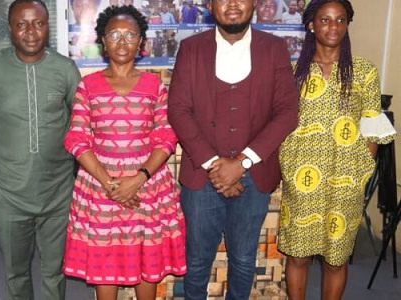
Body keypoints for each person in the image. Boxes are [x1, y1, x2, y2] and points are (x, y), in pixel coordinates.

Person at [167, 0, 299, 299]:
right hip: (202, 176)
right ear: (211, 5)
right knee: (198, 261)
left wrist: (242, 162)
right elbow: (178, 110)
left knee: (242, 260)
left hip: (254, 176)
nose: (233, 4)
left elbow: (288, 111)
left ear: (253, 3)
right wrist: (216, 165)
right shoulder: (192, 48)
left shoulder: (274, 48)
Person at [62, 5, 187, 300]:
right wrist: (110, 183)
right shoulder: (87, 86)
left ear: (141, 42)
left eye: (130, 35)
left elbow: (166, 136)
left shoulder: (154, 86)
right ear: (103, 41)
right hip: (99, 185)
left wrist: (139, 178)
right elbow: (77, 138)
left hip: (147, 186)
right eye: (114, 34)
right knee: (107, 260)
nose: (121, 41)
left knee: (146, 257)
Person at [277, 1, 396, 299]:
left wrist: (359, 172)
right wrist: (289, 169)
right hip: (302, 180)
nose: (333, 27)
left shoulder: (364, 72)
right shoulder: (292, 72)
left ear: (347, 25)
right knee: (298, 256)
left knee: (335, 259)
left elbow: (371, 127)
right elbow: (278, 123)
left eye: (340, 20)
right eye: (326, 20)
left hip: (345, 183)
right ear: (311, 25)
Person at [0, 0, 81, 299]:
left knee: (53, 271)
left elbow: (82, 125)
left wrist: (77, 174)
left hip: (57, 192)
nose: (30, 32)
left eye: (38, 23)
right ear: (10, 28)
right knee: (15, 272)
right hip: (8, 193)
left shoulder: (65, 69)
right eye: (21, 24)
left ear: (48, 27)